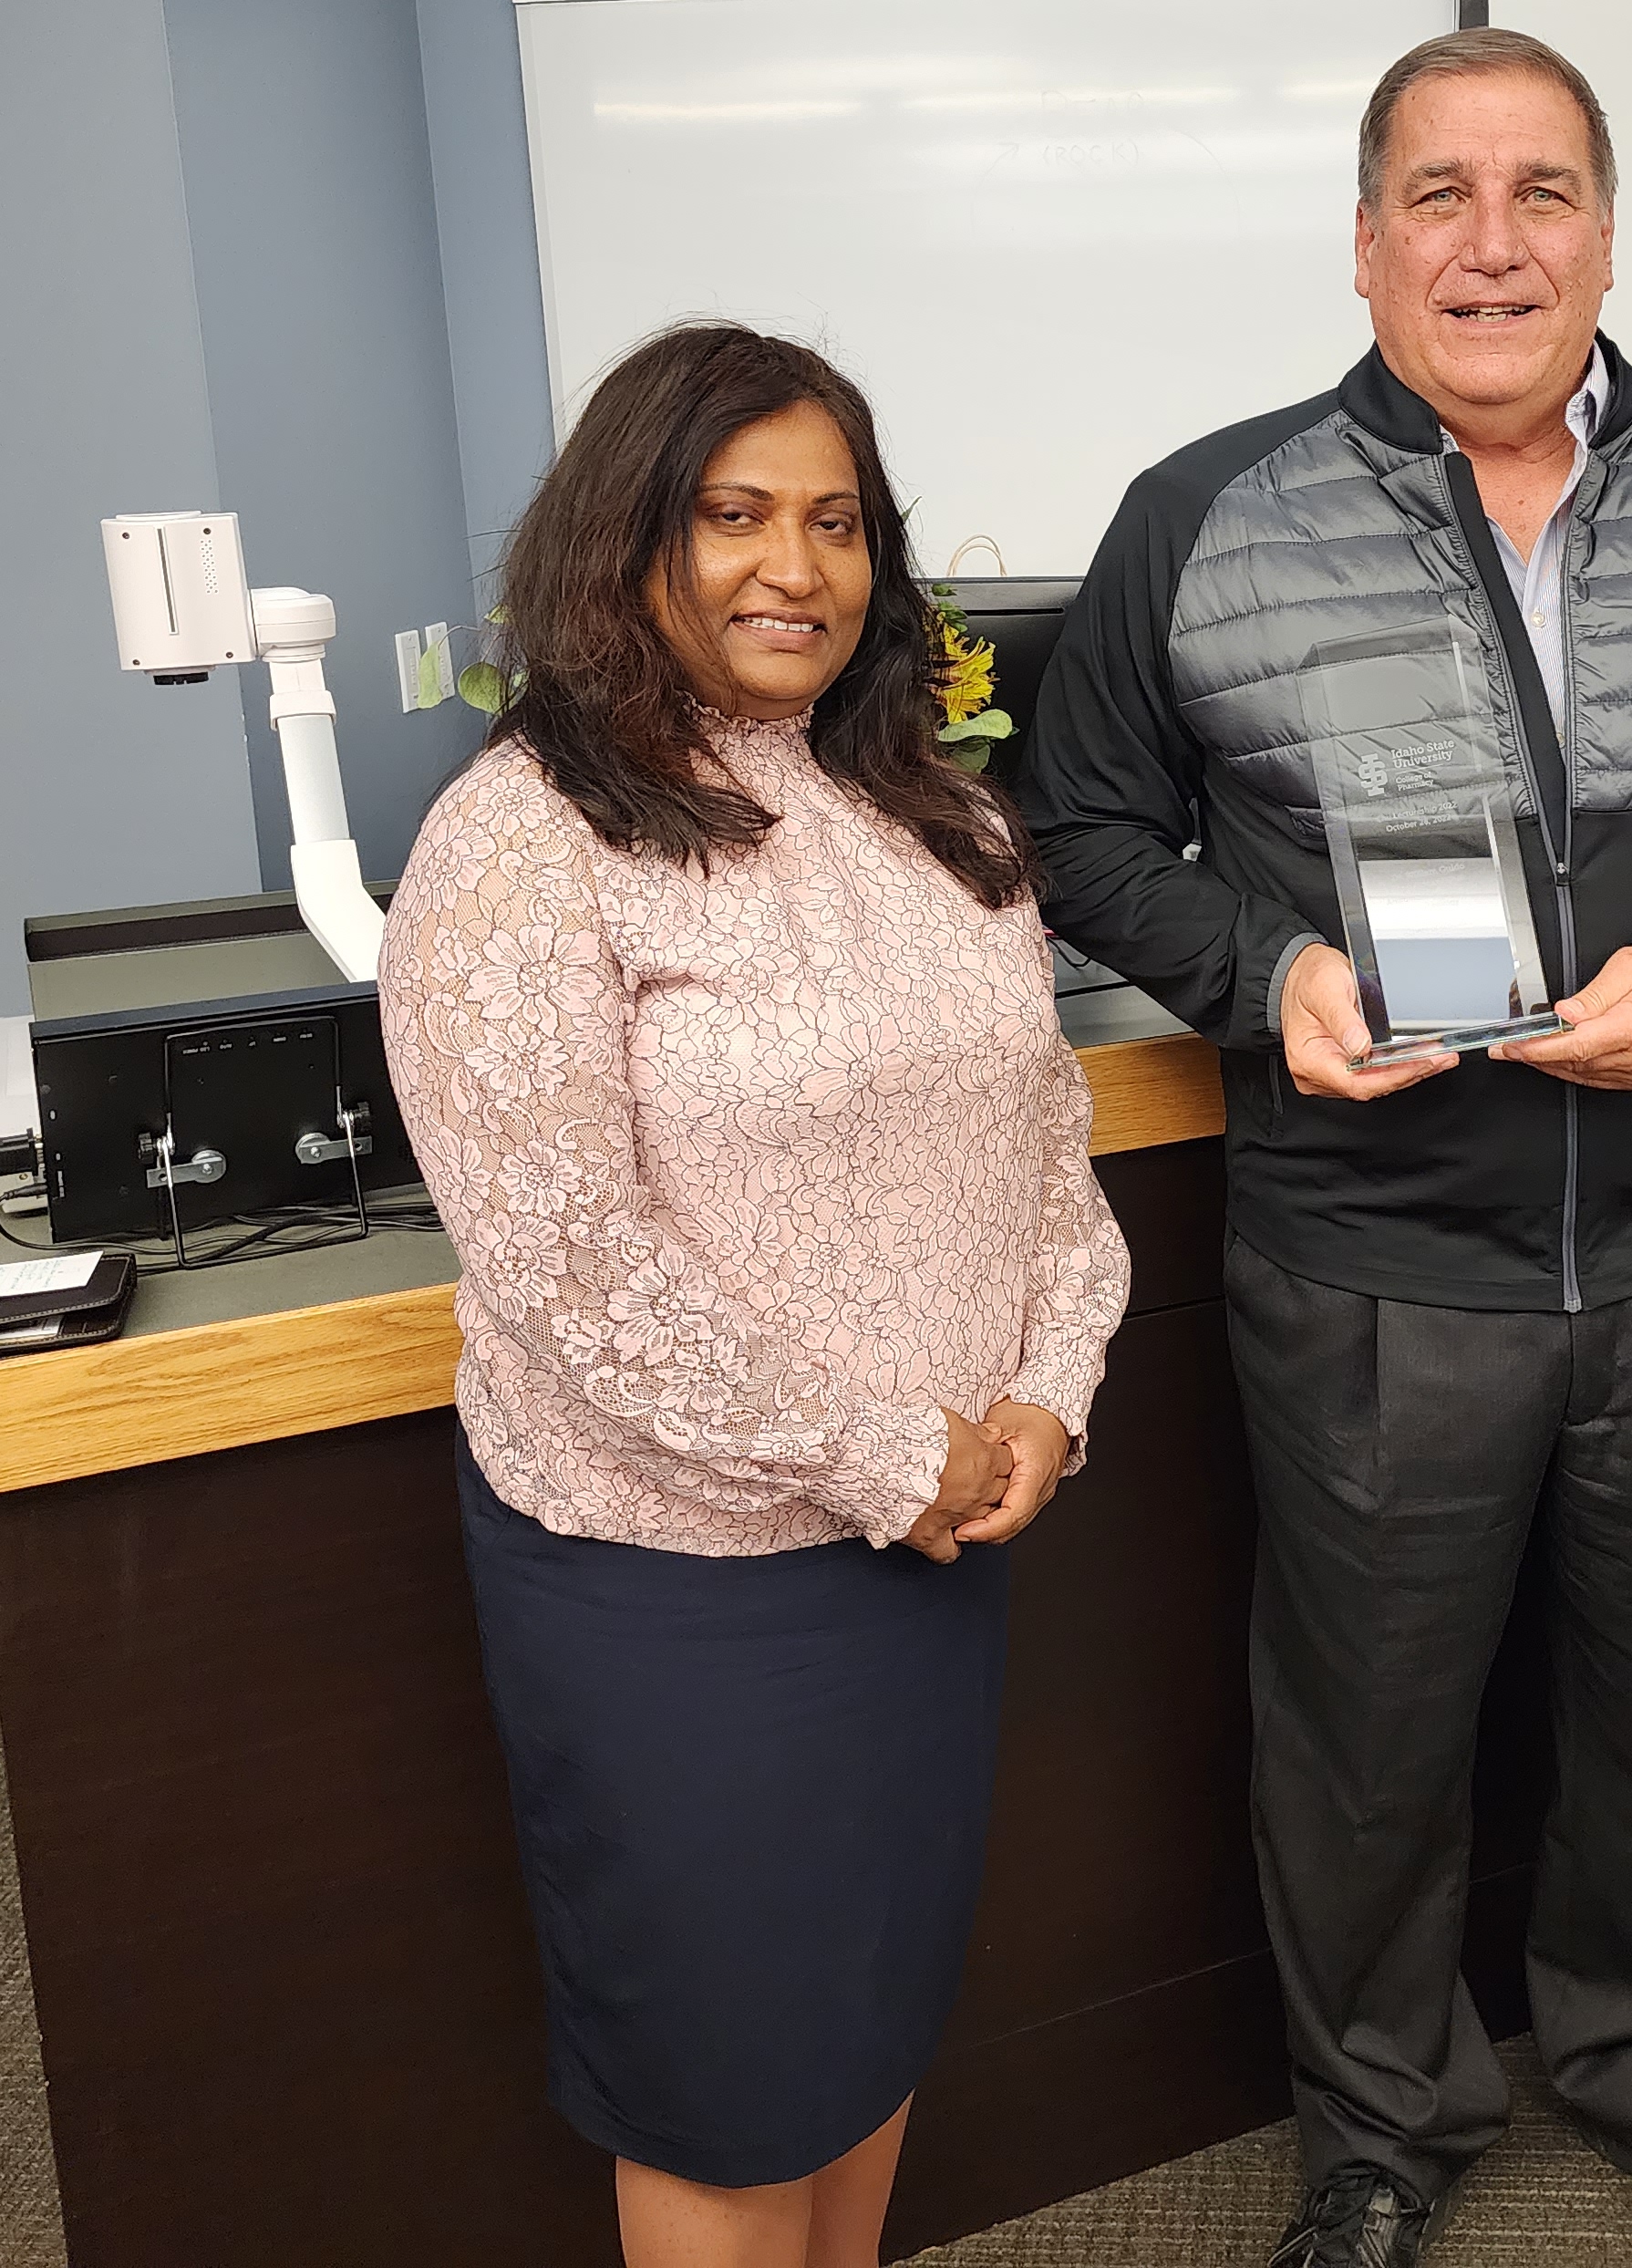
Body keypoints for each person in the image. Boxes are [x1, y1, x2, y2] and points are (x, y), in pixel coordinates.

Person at [1023, 28, 1632, 2268]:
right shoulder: (1204, 516)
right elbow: (1080, 828)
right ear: (1361, 245)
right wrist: (1269, 977)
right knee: (1363, 1725)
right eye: (1438, 194)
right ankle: (1376, 2122)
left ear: (1606, 236)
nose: (1491, 240)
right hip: (1364, 1263)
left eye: (1539, 191)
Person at [380, 322, 1129, 2268]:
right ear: (624, 537)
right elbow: (566, 1268)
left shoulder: (933, 814)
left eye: (834, 521)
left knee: (861, 2034)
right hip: (677, 1586)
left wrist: (1050, 1387)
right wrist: (897, 1451)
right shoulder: (520, 843)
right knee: (725, 2088)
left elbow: (1046, 1146)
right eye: (732, 515)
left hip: (937, 1548)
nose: (792, 566)